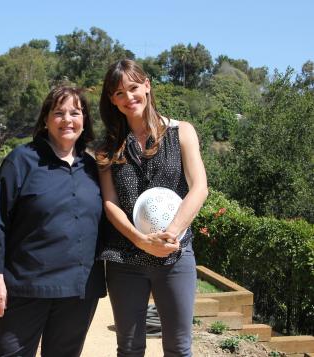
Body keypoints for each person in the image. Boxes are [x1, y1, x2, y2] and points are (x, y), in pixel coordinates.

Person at [0, 86, 106, 357]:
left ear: (84, 121)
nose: (67, 120)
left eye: (75, 113)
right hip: (26, 285)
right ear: (46, 120)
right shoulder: (21, 161)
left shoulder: (93, 169)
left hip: (78, 289)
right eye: (58, 113)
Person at [96, 59, 208, 357]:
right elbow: (110, 203)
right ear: (112, 100)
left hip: (175, 255)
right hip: (124, 259)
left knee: (178, 348)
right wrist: (142, 241)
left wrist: (169, 235)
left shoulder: (182, 132)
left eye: (133, 87)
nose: (128, 97)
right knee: (130, 349)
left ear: (147, 85)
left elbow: (199, 188)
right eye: (119, 93)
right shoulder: (108, 147)